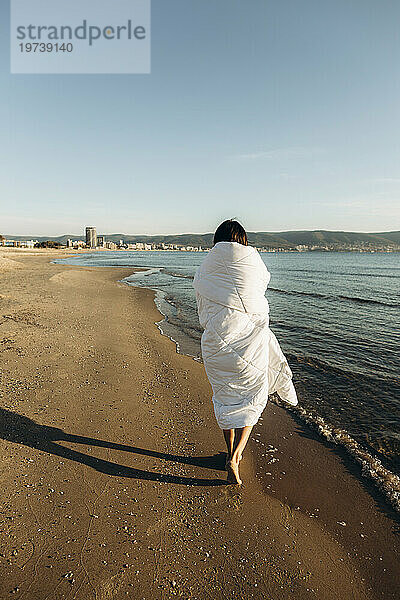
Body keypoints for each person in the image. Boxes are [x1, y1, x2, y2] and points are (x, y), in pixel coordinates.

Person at [193, 220, 298, 485]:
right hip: (249, 346)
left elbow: (203, 310)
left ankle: (229, 452)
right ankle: (237, 455)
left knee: (225, 399)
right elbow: (259, 303)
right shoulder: (254, 265)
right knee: (252, 400)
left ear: (217, 239)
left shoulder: (205, 268)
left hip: (216, 347)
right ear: (243, 240)